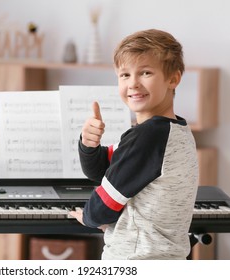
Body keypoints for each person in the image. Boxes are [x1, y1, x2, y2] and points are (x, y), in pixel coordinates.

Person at [69, 29, 199, 260]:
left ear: (173, 79)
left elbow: (102, 207)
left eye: (145, 72)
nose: (133, 84)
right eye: (125, 75)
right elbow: (102, 169)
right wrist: (88, 145)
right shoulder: (174, 130)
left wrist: (88, 217)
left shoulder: (148, 136)